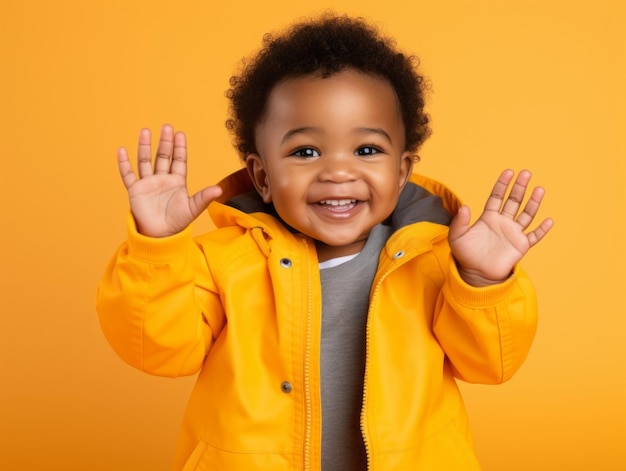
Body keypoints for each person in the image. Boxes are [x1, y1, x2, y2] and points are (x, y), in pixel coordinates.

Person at [96, 14, 553, 471]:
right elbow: (157, 350)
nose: (338, 171)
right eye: (306, 152)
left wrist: (480, 281)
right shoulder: (222, 262)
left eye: (367, 150)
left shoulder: (434, 261)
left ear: (402, 171)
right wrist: (158, 247)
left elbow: (490, 365)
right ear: (262, 176)